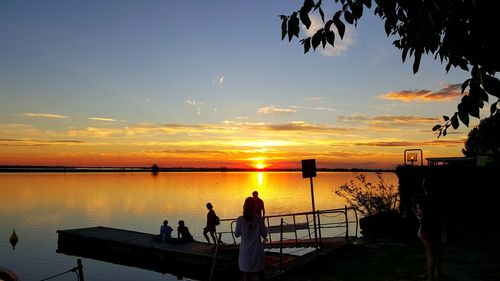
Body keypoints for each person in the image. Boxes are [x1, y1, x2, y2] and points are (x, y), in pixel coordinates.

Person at [414, 176, 442, 281]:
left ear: (425, 186)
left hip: (428, 227)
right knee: (436, 252)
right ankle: (435, 274)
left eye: (423, 183)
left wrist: (416, 213)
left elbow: (421, 214)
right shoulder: (438, 198)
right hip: (437, 226)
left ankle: (430, 278)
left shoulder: (425, 199)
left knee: (429, 253)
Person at [235, 197, 268, 281]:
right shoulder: (259, 220)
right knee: (261, 274)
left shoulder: (240, 220)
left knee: (246, 275)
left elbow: (236, 234)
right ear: (255, 207)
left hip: (245, 252)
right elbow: (264, 235)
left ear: (244, 206)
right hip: (257, 251)